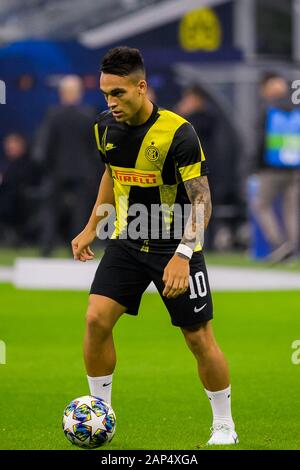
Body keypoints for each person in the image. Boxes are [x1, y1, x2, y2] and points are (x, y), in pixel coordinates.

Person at [71, 47, 238, 446]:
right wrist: (93, 225)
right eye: (105, 94)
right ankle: (100, 413)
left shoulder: (179, 133)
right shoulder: (103, 128)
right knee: (95, 320)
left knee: (198, 337)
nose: (111, 103)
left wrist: (184, 255)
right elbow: (112, 175)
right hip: (128, 241)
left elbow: (202, 201)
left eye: (119, 94)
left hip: (175, 245)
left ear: (141, 87)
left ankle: (224, 424)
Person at [36, 75, 102, 256]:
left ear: (62, 93)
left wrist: (49, 168)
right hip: (84, 172)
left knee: (51, 211)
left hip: (58, 170)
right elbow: (95, 148)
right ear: (79, 93)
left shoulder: (54, 115)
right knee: (81, 213)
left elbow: (46, 147)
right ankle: (78, 249)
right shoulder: (88, 115)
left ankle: (46, 247)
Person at [251, 72, 300, 262]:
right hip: (294, 167)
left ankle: (279, 244)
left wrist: (254, 165)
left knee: (262, 205)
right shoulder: (295, 107)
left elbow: (258, 141)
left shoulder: (267, 109)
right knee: (291, 209)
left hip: (270, 168)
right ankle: (292, 248)